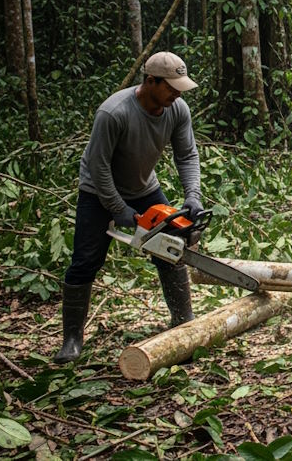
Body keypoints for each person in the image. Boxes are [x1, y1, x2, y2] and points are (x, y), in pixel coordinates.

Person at [54, 51, 204, 363]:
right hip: (97, 191)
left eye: (180, 88)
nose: (177, 94)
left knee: (172, 247)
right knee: (85, 261)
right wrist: (119, 210)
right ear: (151, 81)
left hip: (144, 187)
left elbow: (187, 155)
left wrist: (193, 196)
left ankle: (183, 320)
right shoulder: (114, 113)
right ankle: (71, 340)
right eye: (171, 87)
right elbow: (99, 167)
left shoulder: (178, 110)